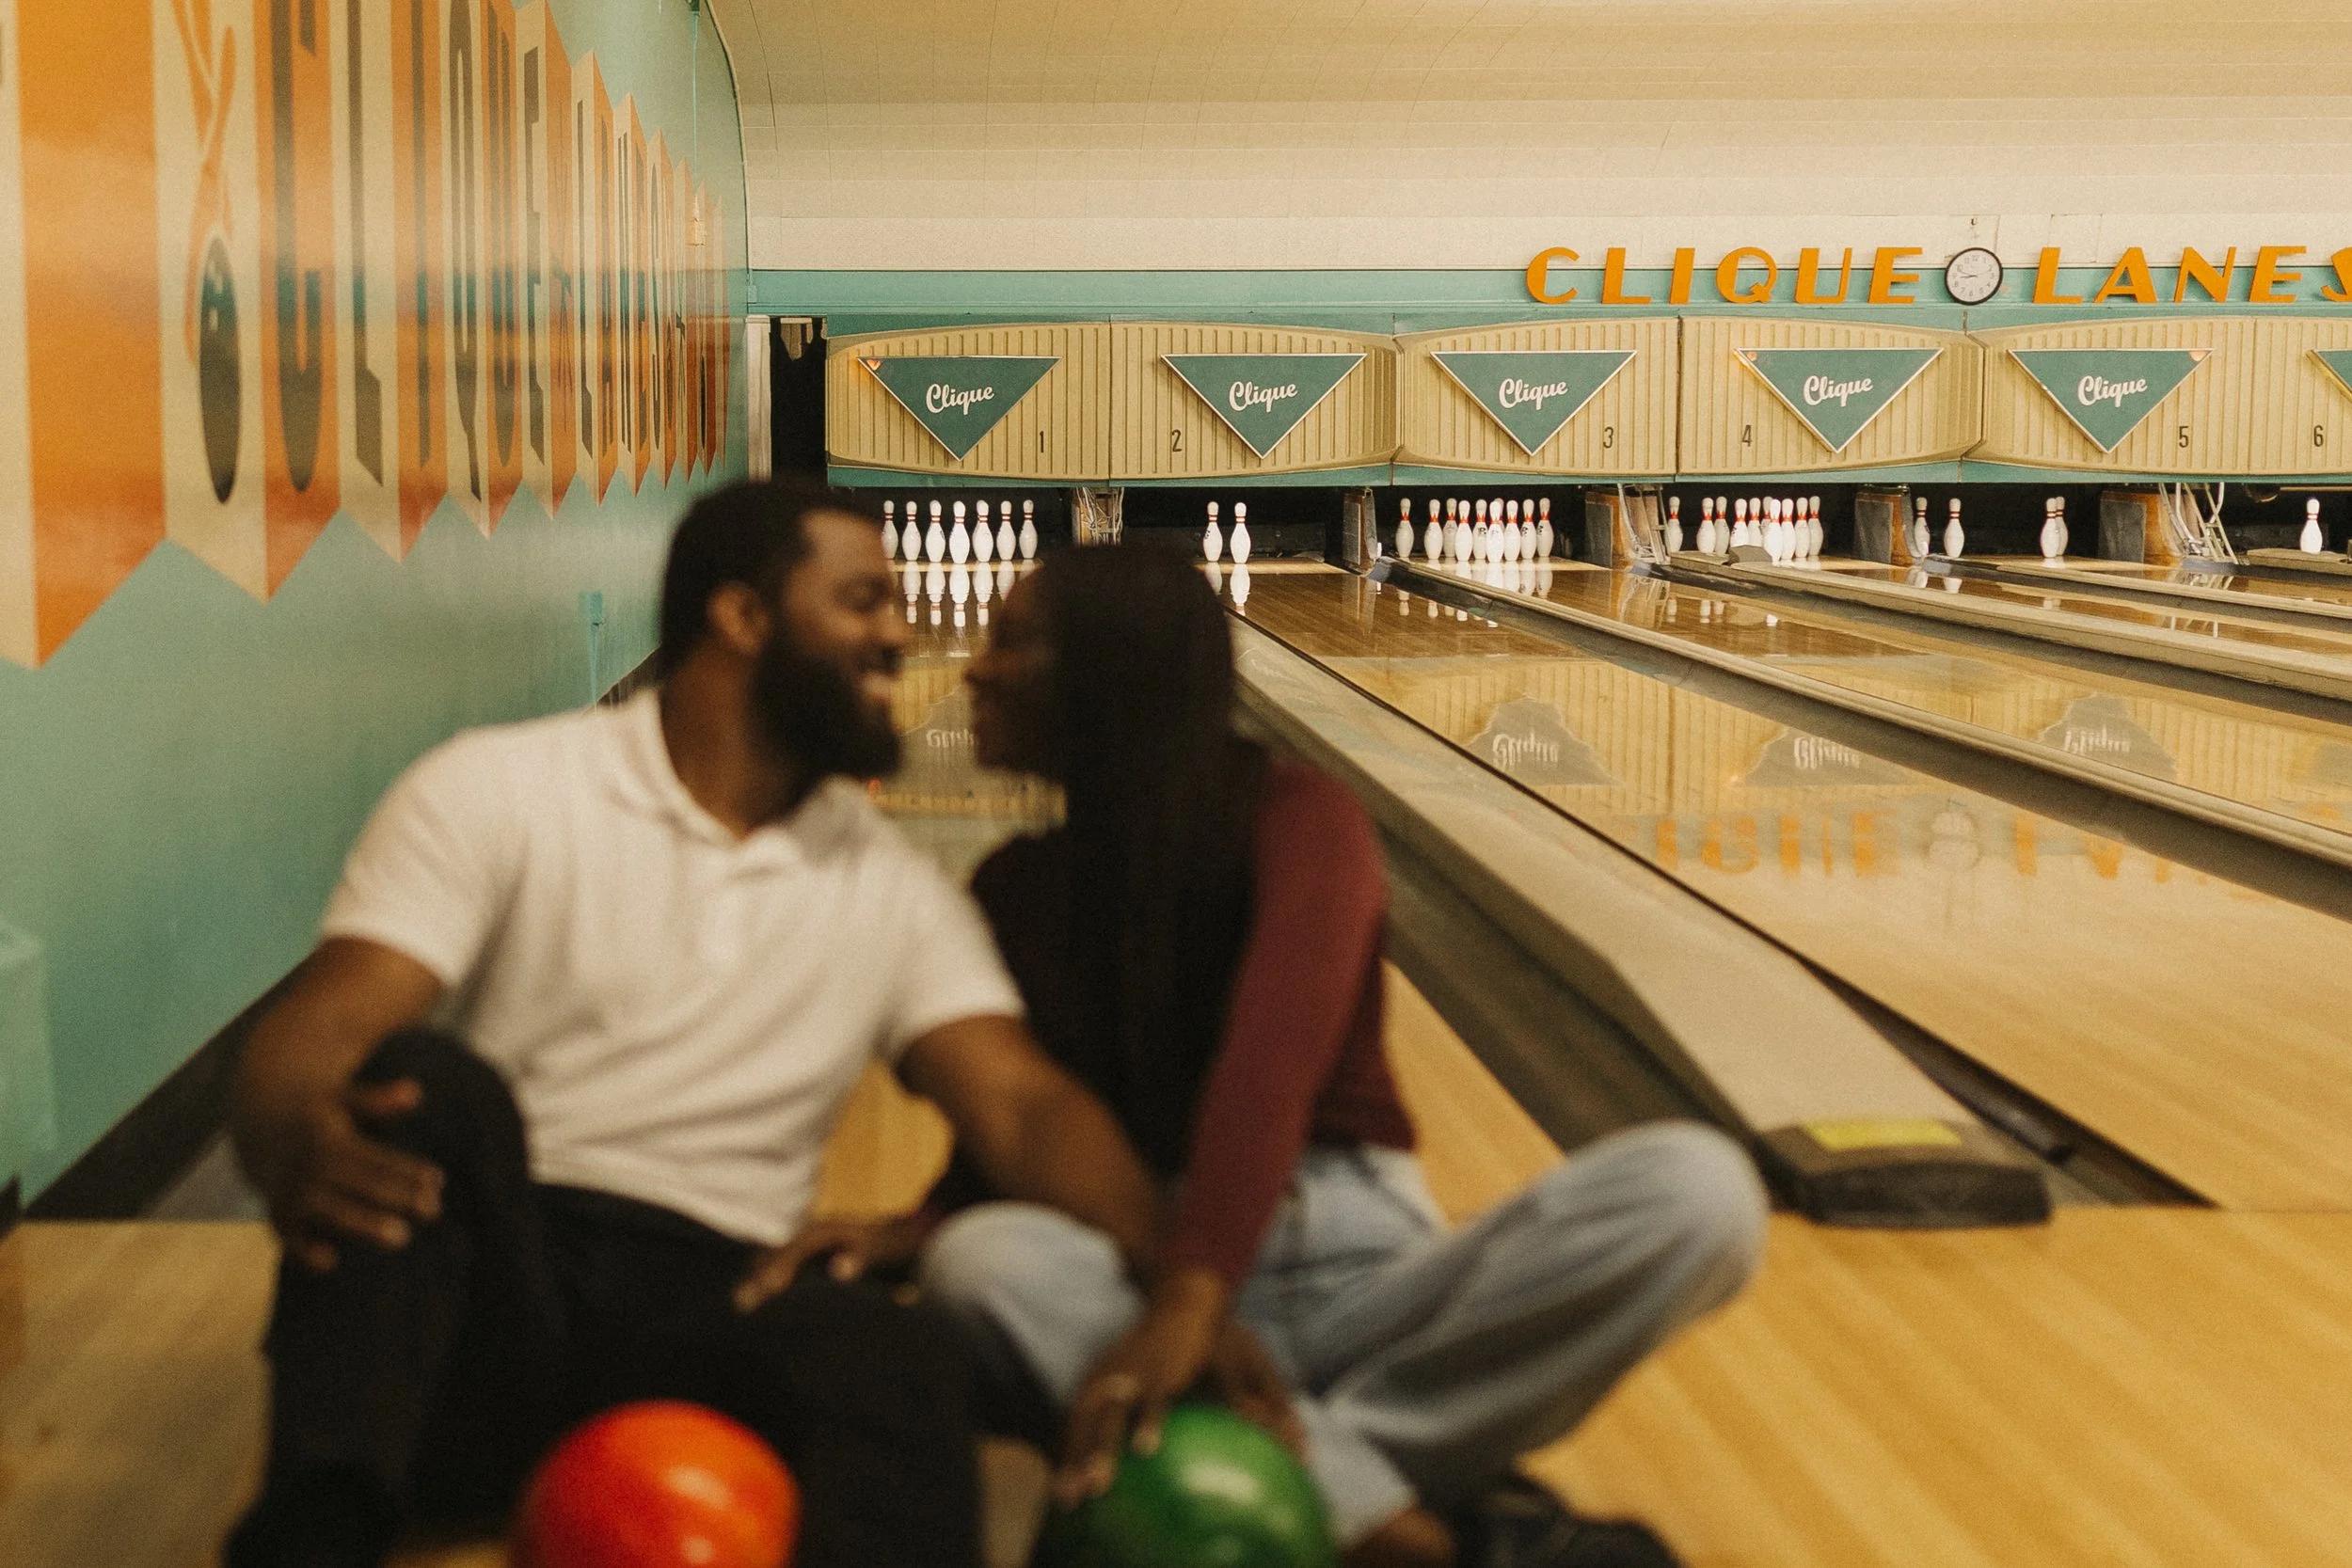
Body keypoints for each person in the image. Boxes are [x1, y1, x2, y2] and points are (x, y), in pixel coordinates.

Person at [223, 482, 1208, 1568]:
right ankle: (310, 1537)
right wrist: (288, 1139)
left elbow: (1024, 1106)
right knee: (422, 1084)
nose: (904, 629)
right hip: (498, 1287)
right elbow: (320, 1027)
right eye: (863, 600)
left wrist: (1180, 1284)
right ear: (742, 618)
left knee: (897, 1349)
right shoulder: (499, 787)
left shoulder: (890, 885)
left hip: (719, 1295)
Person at [916, 548, 1769, 1568]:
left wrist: (1197, 1296)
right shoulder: (1012, 886)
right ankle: (1436, 1530)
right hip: (1141, 1275)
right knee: (978, 1264)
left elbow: (1269, 1062)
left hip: (1352, 1269)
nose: (972, 668)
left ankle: (1288, 1473)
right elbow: (1028, 1127)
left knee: (1699, 1190)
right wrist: (927, 1220)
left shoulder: (1299, 815)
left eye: (1010, 640)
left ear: (1107, 669)